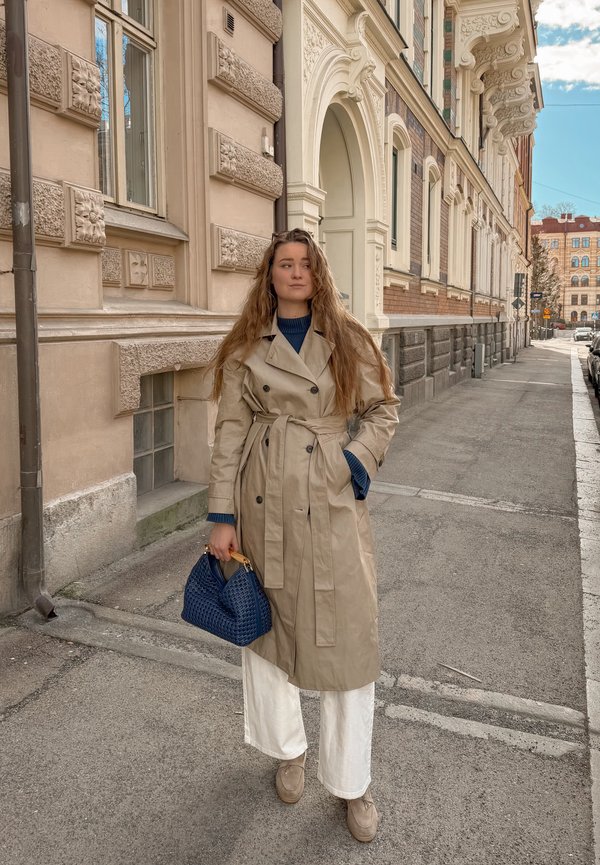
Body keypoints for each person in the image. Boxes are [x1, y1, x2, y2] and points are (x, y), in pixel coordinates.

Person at [206, 228, 399, 842]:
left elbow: (383, 411)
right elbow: (230, 434)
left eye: (304, 264)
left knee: (347, 639)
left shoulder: (348, 339)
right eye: (283, 264)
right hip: (263, 505)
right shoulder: (244, 348)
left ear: (319, 273)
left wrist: (351, 464)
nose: (295, 273)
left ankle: (352, 783)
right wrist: (220, 516)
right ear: (269, 275)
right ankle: (288, 750)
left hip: (331, 501)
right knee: (267, 633)